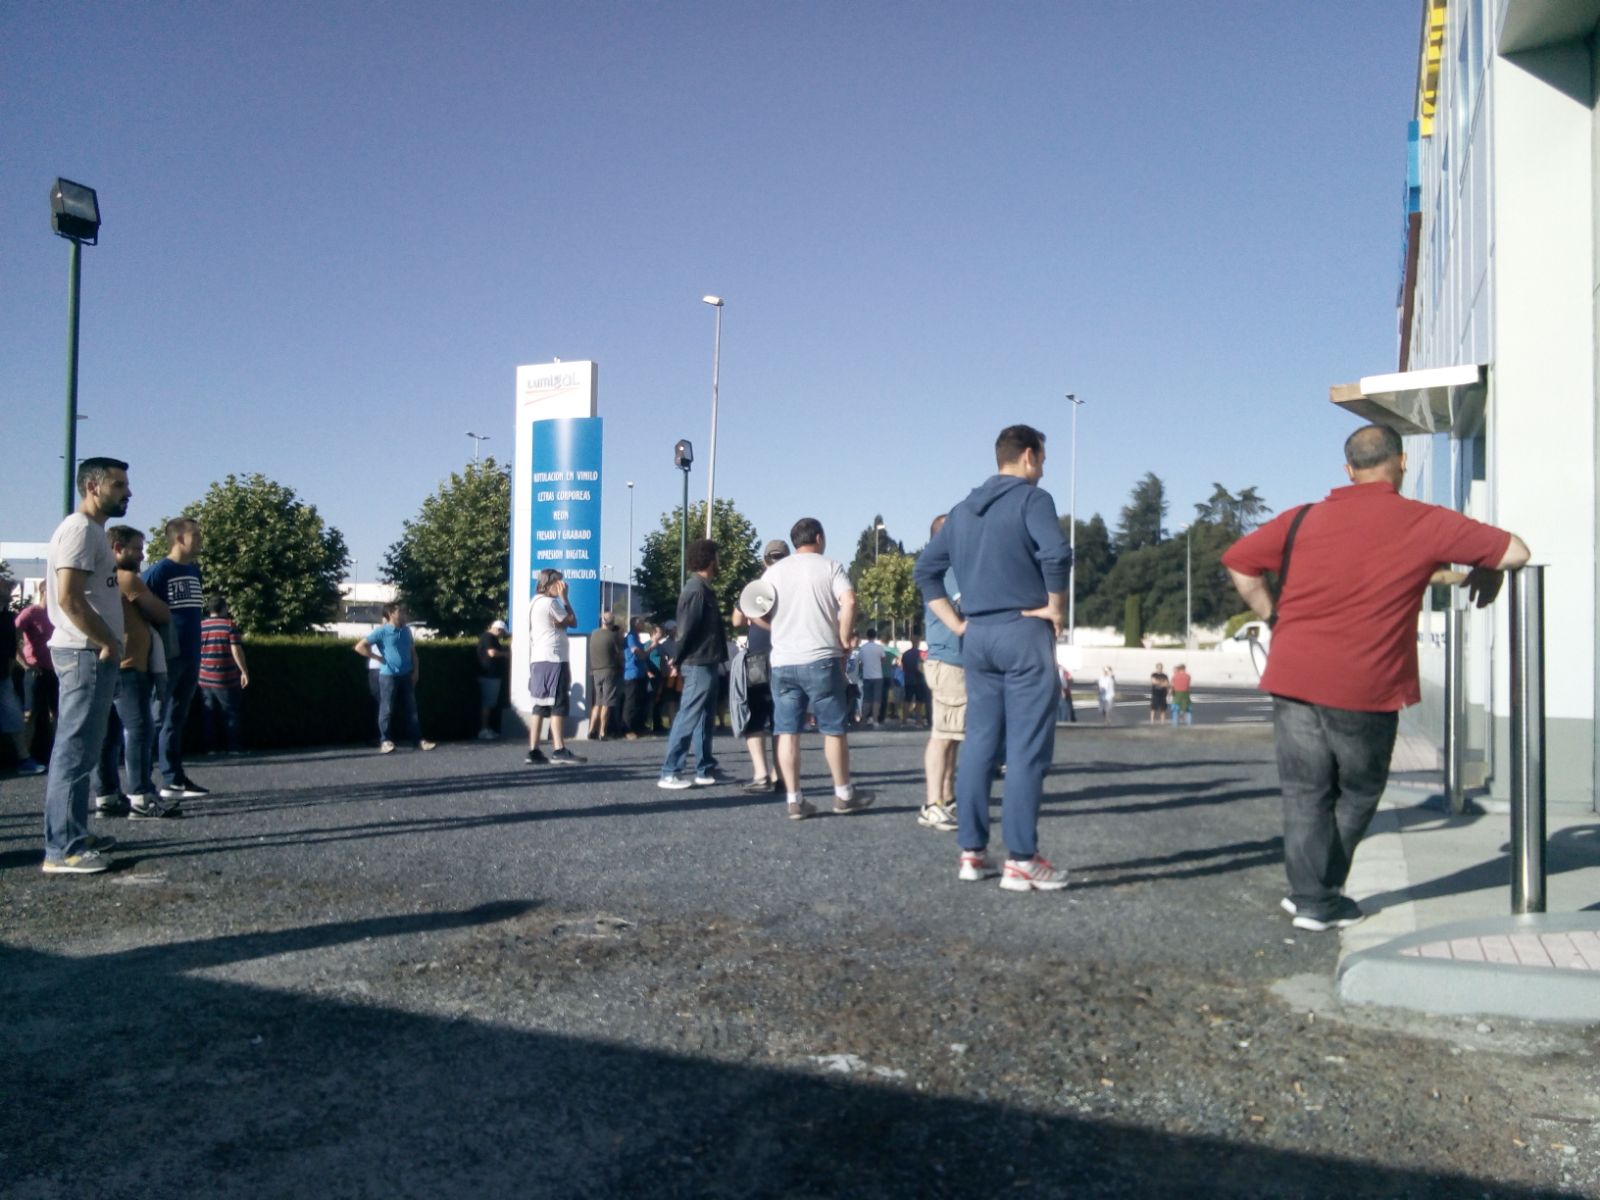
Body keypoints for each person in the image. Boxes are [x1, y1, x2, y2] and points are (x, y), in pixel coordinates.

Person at [1224, 423, 1529, 933]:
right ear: (1402, 462)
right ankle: (1319, 899)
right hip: (1364, 684)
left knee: (1304, 792)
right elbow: (1516, 551)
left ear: (1348, 470)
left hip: (1293, 674)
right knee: (1360, 792)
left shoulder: (1302, 518)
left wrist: (1273, 615)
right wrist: (1488, 565)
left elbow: (1239, 561)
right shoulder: (1425, 521)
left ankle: (1309, 894)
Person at [915, 424, 1073, 891]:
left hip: (977, 636)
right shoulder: (1032, 500)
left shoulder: (962, 511)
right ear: (1028, 455)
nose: (1042, 469)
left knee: (979, 744)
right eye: (1042, 460)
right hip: (1023, 630)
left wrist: (957, 623)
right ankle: (1021, 860)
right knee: (1025, 749)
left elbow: (925, 572)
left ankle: (972, 852)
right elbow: (1057, 554)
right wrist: (1056, 607)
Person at [41, 457, 132, 874]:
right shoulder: (79, 529)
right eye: (118, 485)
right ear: (93, 487)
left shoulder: (91, 531)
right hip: (83, 653)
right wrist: (107, 641)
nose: (128, 493)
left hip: (89, 653)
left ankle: (73, 833)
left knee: (83, 751)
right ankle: (63, 848)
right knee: (75, 752)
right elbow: (68, 597)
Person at [763, 517, 870, 819]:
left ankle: (794, 800)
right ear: (819, 539)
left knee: (787, 732)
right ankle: (843, 794)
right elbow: (849, 601)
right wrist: (844, 637)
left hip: (783, 661)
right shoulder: (830, 566)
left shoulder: (774, 572)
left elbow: (754, 609)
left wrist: (777, 627)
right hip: (821, 657)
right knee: (833, 729)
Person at [92, 525, 172, 818]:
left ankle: (107, 796)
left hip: (108, 665)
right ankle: (141, 795)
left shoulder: (98, 578)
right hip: (130, 666)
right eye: (136, 548)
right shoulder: (126, 579)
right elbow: (161, 612)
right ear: (117, 548)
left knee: (107, 735)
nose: (141, 555)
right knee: (139, 730)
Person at [144, 517, 209, 802]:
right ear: (180, 538)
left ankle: (173, 779)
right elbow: (138, 605)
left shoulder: (194, 570)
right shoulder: (159, 571)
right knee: (156, 717)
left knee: (176, 718)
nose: (201, 540)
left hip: (191, 653)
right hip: (167, 656)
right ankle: (142, 782)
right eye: (196, 535)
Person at [657, 539, 728, 789]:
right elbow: (685, 631)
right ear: (709, 559)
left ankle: (704, 769)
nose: (719, 561)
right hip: (698, 662)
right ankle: (670, 772)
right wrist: (677, 659)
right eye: (717, 556)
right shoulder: (696, 590)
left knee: (704, 717)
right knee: (688, 716)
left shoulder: (703, 589)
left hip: (706, 660)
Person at [731, 539, 789, 793]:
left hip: (757, 656)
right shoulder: (793, 586)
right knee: (781, 717)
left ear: (765, 560)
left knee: (755, 714)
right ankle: (780, 775)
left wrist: (753, 615)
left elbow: (736, 621)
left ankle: (761, 774)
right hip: (785, 655)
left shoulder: (755, 586)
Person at [919, 514, 962, 832]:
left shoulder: (946, 568)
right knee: (943, 735)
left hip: (952, 659)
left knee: (953, 735)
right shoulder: (949, 570)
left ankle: (946, 797)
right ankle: (932, 803)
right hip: (950, 660)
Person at [354, 602, 436, 753]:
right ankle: (385, 740)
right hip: (388, 676)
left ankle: (418, 740)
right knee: (386, 709)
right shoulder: (382, 631)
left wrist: (416, 671)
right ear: (391, 614)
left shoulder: (406, 631)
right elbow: (360, 646)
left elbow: (413, 653)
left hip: (406, 674)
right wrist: (377, 658)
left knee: (411, 709)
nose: (403, 614)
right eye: (400, 611)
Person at [525, 569, 584, 765]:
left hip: (538, 659)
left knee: (540, 704)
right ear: (549, 584)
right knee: (558, 703)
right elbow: (572, 621)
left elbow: (559, 624)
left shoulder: (534, 602)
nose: (562, 586)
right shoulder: (550, 603)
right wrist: (565, 598)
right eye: (558, 582)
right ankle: (559, 749)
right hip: (554, 659)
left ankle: (533, 750)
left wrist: (560, 622)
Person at [198, 596, 249, 755]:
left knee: (209, 713)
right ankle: (233, 746)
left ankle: (211, 748)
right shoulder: (229, 626)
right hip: (225, 676)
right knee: (230, 712)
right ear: (223, 608)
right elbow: (236, 650)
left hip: (204, 676)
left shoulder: (201, 626)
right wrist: (244, 671)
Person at [15, 581, 55, 772]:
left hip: (54, 670)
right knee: (31, 713)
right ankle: (25, 758)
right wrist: (25, 663)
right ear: (43, 591)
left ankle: (54, 754)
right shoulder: (30, 612)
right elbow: (13, 635)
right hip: (35, 670)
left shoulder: (57, 614)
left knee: (56, 713)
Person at [586, 613, 622, 740]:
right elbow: (618, 653)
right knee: (606, 703)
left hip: (595, 671)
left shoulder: (594, 634)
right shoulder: (612, 636)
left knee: (597, 702)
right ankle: (602, 732)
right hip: (609, 671)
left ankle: (591, 729)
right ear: (612, 622)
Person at [475, 618, 509, 740]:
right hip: (489, 676)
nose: (502, 636)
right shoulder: (489, 637)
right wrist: (506, 654)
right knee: (487, 704)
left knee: (489, 703)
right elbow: (492, 653)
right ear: (498, 630)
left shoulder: (488, 637)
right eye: (502, 633)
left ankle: (486, 728)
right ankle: (484, 729)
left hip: (490, 675)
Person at [621, 617, 653, 740]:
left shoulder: (637, 637)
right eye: (641, 622)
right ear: (635, 624)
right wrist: (647, 651)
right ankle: (627, 729)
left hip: (640, 673)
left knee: (640, 701)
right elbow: (638, 653)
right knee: (630, 702)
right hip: (631, 673)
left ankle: (638, 726)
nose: (643, 624)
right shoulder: (631, 637)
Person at [857, 629, 885, 728]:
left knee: (866, 699)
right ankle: (875, 720)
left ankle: (864, 720)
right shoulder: (879, 647)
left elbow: (860, 661)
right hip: (878, 676)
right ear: (875, 636)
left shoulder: (863, 648)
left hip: (867, 676)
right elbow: (883, 659)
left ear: (867, 636)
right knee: (877, 699)